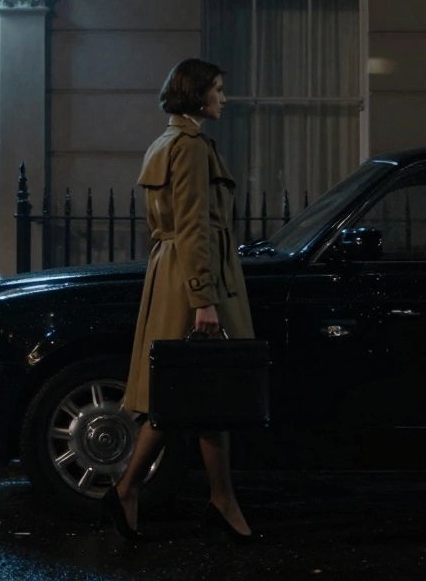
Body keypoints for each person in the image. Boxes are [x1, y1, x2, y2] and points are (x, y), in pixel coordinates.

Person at [102, 59, 260, 543]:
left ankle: (194, 496)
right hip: (195, 276)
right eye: (217, 88)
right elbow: (193, 225)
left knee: (190, 392)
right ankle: (202, 498)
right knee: (202, 388)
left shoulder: (168, 141)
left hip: (176, 272)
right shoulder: (189, 147)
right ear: (196, 95)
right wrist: (204, 299)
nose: (224, 98)